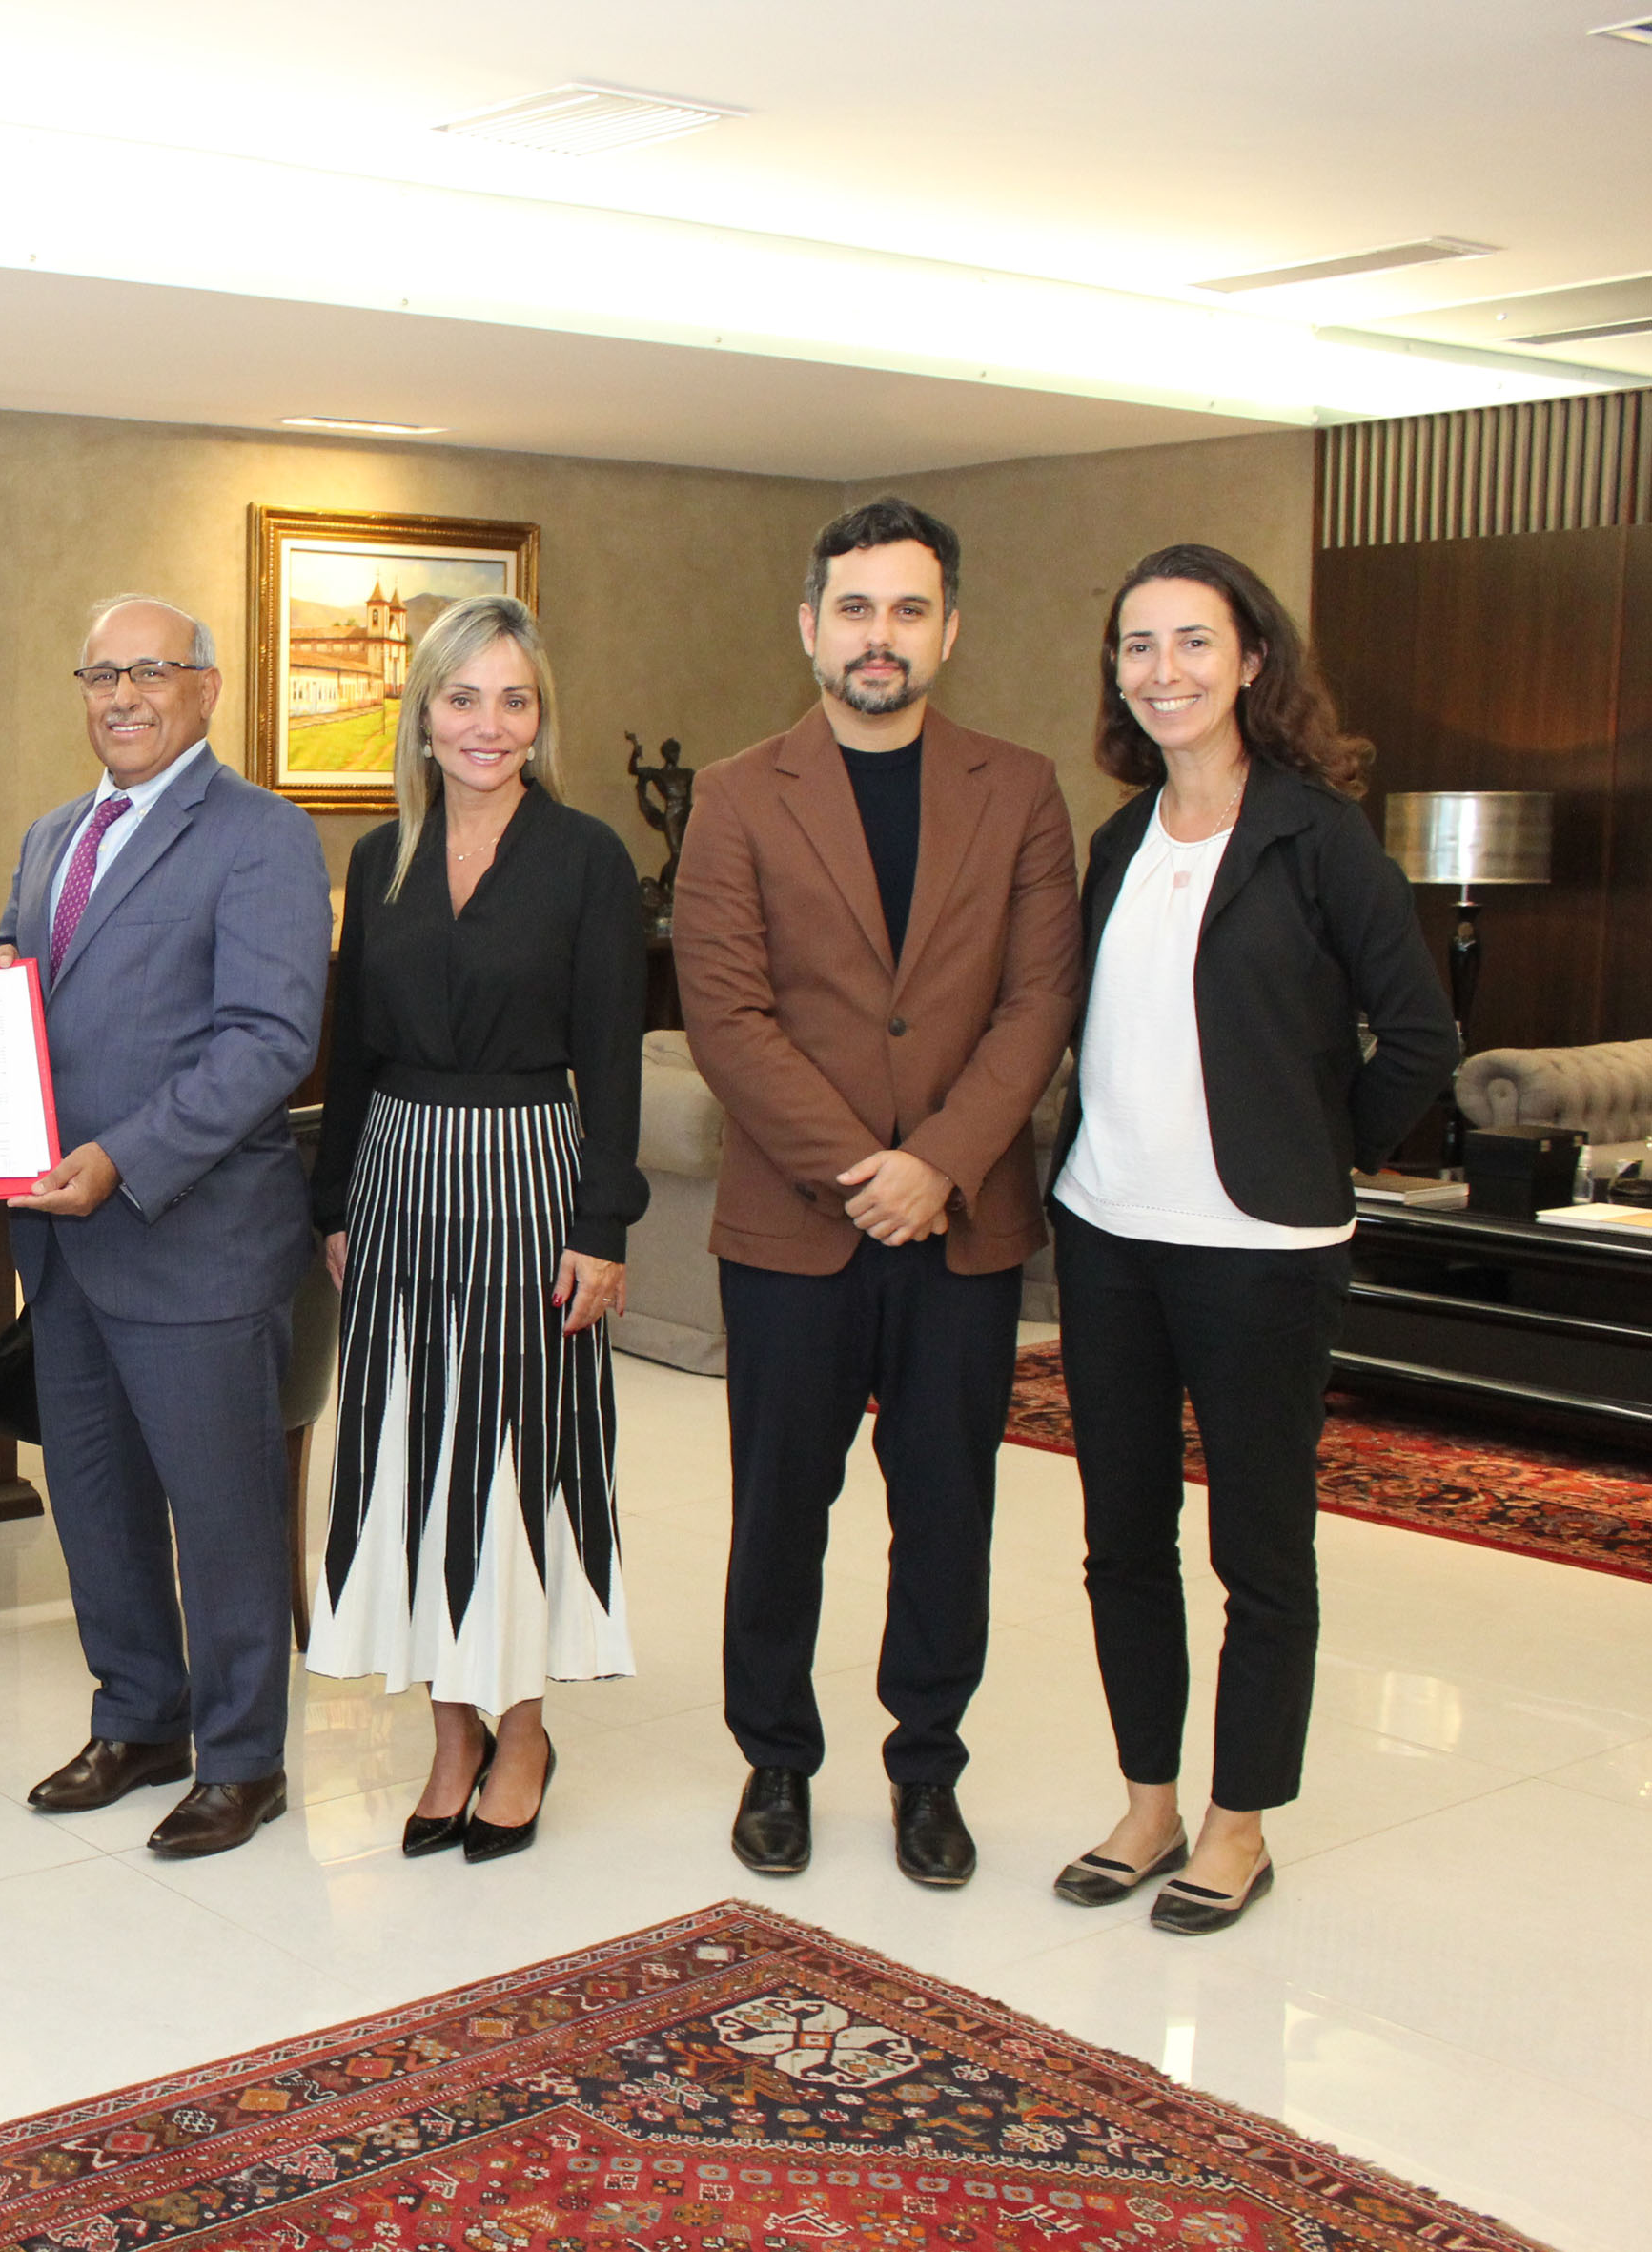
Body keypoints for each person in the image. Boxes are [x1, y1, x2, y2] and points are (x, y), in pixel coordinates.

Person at [674, 497, 1082, 1888]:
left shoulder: (1019, 790)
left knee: (948, 1512)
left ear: (949, 630)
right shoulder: (738, 794)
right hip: (797, 1226)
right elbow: (727, 1016)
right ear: (810, 626)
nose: (880, 636)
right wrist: (868, 1173)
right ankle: (777, 1760)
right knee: (780, 1511)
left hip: (962, 1229)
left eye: (909, 610)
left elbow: (1039, 1002)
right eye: (855, 609)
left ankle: (928, 1769)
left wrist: (939, 1166)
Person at [1048, 545, 1451, 1935]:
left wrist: (1317, 1151)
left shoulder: (1316, 835)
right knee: (1121, 1538)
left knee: (1260, 1552)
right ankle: (1148, 1801)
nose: (1163, 671)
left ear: (1251, 661)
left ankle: (1239, 1824)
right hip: (1108, 1231)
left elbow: (1421, 1036)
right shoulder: (1119, 842)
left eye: (1193, 642)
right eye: (1138, 645)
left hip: (1261, 1249)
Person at [308, 595, 644, 1863]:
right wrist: (336, 1202)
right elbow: (352, 1051)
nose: (487, 724)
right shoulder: (379, 856)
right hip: (397, 1179)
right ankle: (451, 1736)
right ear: (425, 714)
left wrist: (602, 1226)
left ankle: (525, 1731)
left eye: (514, 699)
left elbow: (613, 1057)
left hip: (527, 1178)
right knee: (412, 1452)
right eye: (463, 697)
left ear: (540, 716)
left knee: (511, 1459)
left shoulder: (586, 858)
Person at [0, 596, 329, 1858]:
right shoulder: (53, 835)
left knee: (224, 1513)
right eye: (102, 674)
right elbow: (30, 980)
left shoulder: (262, 835)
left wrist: (125, 1157)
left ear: (207, 687)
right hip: (63, 1242)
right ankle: (139, 1718)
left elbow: (269, 1040)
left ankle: (242, 1758)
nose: (124, 695)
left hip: (191, 1234)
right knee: (95, 1500)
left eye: (152, 670)